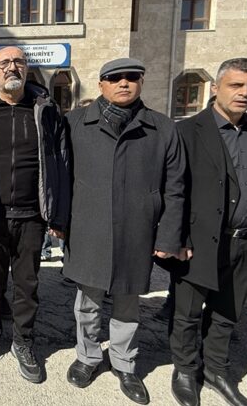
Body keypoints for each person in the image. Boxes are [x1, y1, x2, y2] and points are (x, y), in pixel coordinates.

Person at [62, 58, 186, 405]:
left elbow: (176, 187)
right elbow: (59, 177)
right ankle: (87, 357)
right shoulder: (75, 122)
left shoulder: (162, 128)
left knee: (128, 304)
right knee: (87, 304)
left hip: (137, 230)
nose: (124, 83)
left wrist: (168, 235)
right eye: (114, 78)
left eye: (132, 77)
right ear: (100, 84)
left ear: (142, 82)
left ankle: (125, 364)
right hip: (88, 227)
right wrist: (58, 221)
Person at [167, 58, 247, 406]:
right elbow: (174, 190)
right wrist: (176, 239)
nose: (245, 93)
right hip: (198, 243)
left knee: (227, 313)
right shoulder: (186, 131)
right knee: (187, 313)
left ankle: (216, 370)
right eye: (236, 85)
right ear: (216, 88)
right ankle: (186, 370)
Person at [0, 46, 69, 383]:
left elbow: (63, 162)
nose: (12, 68)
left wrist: (58, 214)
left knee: (27, 285)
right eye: (3, 63)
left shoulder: (46, 109)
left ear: (27, 69)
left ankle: (23, 341)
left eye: (18, 62)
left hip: (32, 215)